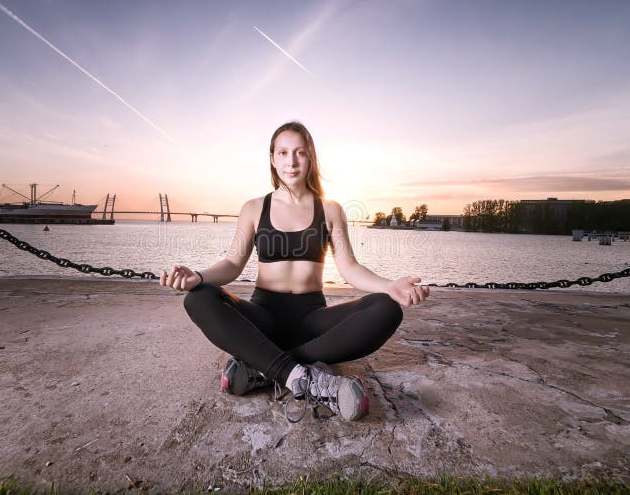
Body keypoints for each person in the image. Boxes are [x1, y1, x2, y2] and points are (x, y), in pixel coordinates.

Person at [160, 121, 429, 422]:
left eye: (300, 152)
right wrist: (198, 277)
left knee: (387, 308)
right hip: (263, 318)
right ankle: (301, 375)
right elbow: (233, 264)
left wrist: (390, 285)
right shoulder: (252, 208)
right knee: (198, 298)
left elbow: (349, 268)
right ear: (273, 158)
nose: (292, 160)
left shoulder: (330, 209)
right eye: (284, 152)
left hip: (312, 321)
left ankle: (266, 366)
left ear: (310, 157)